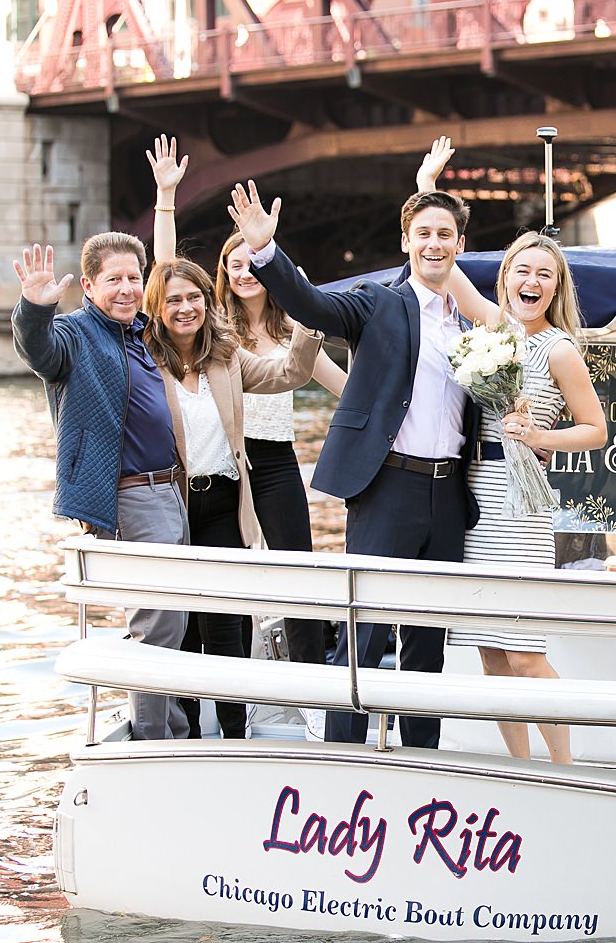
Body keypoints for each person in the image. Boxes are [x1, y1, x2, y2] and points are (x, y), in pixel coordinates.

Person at [227, 179, 481, 751]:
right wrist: (267, 252)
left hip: (448, 492)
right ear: (405, 241)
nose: (434, 244)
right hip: (387, 483)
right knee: (362, 627)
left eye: (445, 234)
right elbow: (313, 305)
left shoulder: (472, 326)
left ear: (460, 244)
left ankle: (421, 754)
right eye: (423, 234)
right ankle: (344, 751)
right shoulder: (377, 301)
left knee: (427, 638)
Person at [415, 137, 606, 764]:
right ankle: (521, 767)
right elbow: (437, 265)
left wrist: (542, 438)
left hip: (522, 505)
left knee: (525, 650)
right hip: (477, 497)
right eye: (522, 271)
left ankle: (565, 766)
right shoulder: (490, 330)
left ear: (555, 288)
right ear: (505, 279)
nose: (531, 281)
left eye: (543, 275)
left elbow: (596, 430)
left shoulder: (559, 349)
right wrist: (425, 182)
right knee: (490, 650)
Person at [149, 135, 347, 678]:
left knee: (295, 566)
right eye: (233, 265)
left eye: (251, 264)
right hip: (225, 462)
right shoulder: (212, 327)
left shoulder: (291, 330)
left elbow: (329, 382)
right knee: (224, 571)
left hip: (276, 461)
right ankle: (217, 678)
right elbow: (165, 274)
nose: (243, 273)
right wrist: (166, 198)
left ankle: (312, 677)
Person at [11, 236, 189, 740]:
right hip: (132, 497)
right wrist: (34, 308)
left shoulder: (141, 335)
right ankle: (154, 741)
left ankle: (172, 724)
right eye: (113, 279)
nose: (127, 288)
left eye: (134, 277)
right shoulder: (76, 333)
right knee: (154, 626)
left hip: (170, 492)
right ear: (88, 286)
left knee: (172, 622)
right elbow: (39, 350)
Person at [140, 257, 322, 737]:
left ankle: (234, 733)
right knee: (180, 627)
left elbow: (287, 374)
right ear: (157, 306)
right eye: (174, 300)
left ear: (207, 300)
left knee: (225, 626)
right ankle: (190, 734)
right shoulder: (140, 359)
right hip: (171, 504)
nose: (185, 308)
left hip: (222, 500)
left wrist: (307, 317)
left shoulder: (226, 356)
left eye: (194, 297)